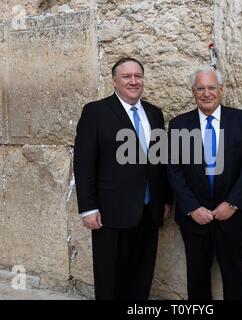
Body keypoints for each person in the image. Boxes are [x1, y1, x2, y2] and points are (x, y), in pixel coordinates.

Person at [74, 57, 172, 300]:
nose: (133, 81)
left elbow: (161, 162)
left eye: (138, 76)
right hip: (110, 213)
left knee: (142, 276)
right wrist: (88, 208)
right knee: (111, 278)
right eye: (127, 76)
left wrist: (166, 200)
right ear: (114, 81)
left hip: (149, 211)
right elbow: (84, 163)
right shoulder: (95, 112)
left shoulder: (154, 114)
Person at [167, 67, 242, 300]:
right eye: (200, 88)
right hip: (194, 216)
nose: (206, 93)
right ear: (193, 92)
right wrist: (191, 207)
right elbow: (173, 169)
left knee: (233, 273)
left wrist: (232, 204)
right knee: (197, 276)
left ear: (221, 90)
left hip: (232, 213)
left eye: (211, 87)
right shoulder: (179, 125)